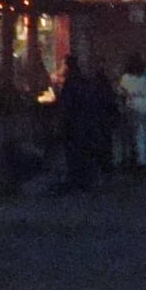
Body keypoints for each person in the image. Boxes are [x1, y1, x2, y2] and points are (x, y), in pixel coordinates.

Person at [57, 55, 104, 192]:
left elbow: (67, 104)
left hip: (74, 122)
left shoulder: (71, 82)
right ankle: (86, 178)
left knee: (75, 151)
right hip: (84, 121)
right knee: (83, 150)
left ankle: (77, 178)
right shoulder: (83, 81)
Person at [117, 54, 146, 169]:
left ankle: (141, 161)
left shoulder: (126, 77)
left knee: (138, 134)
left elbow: (121, 92)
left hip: (135, 104)